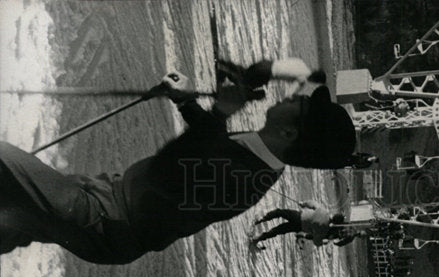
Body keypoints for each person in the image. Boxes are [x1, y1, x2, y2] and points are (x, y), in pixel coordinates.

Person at [1, 61, 356, 263]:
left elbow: (169, 168)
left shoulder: (245, 180)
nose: (293, 97)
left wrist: (221, 111)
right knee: (10, 224)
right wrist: (188, 104)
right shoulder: (263, 152)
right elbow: (208, 146)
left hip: (104, 219)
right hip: (107, 199)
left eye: (301, 104)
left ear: (291, 134)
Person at [252, 200, 331, 247]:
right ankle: (259, 237)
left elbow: (313, 204)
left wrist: (303, 203)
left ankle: (263, 218)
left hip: (298, 215)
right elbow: (316, 241)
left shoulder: (324, 212)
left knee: (280, 212)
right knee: (278, 230)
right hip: (298, 227)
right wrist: (323, 243)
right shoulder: (324, 230)